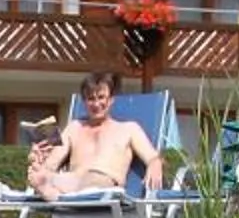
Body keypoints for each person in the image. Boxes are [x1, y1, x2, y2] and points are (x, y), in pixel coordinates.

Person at [28, 71, 163, 196]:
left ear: (111, 99)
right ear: (84, 102)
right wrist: (39, 161)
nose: (96, 104)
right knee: (39, 175)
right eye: (91, 99)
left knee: (90, 180)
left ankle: (53, 194)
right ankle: (53, 194)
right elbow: (51, 164)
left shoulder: (129, 129)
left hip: (103, 186)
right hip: (72, 183)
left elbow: (153, 157)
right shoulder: (74, 128)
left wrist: (155, 164)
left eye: (101, 97)